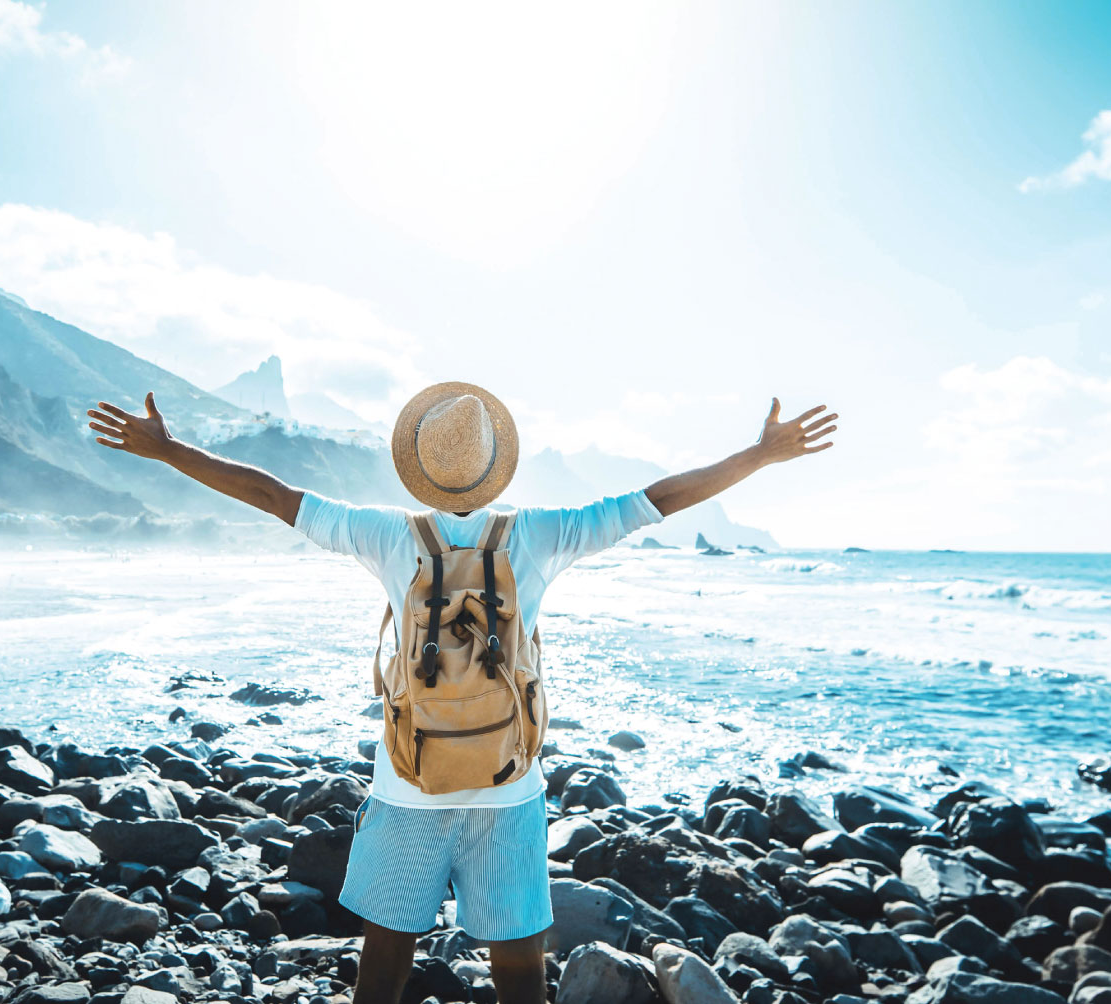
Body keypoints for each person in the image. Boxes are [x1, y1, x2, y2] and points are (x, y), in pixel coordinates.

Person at [86, 382, 838, 1004]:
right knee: (517, 969)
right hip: (509, 786)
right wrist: (760, 455)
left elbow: (272, 495)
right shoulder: (542, 534)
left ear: (421, 465)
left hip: (407, 782)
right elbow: (659, 500)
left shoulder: (387, 535)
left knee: (383, 964)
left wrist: (167, 449)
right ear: (493, 467)